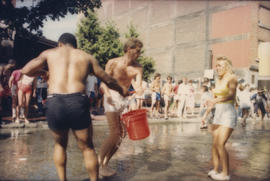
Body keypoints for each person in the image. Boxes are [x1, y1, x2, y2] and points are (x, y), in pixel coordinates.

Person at [21, 33, 125, 181]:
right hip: (77, 100)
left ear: (60, 44)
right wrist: (122, 90)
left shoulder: (49, 53)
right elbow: (107, 79)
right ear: (75, 45)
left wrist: (44, 72)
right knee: (87, 147)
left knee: (60, 145)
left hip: (55, 101)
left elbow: (26, 70)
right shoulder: (86, 56)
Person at [99, 38, 143, 177]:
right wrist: (107, 95)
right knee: (114, 132)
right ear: (128, 49)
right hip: (111, 95)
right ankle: (98, 164)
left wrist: (140, 89)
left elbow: (138, 85)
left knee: (122, 134)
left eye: (140, 51)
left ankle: (105, 163)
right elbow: (103, 83)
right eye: (137, 51)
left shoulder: (138, 67)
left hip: (124, 99)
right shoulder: (112, 62)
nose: (139, 54)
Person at [206, 56, 238, 181]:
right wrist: (206, 114)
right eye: (217, 65)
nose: (217, 68)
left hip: (228, 114)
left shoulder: (232, 78)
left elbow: (231, 95)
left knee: (220, 144)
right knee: (214, 144)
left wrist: (215, 100)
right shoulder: (219, 79)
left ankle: (225, 174)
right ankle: (215, 169)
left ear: (227, 66)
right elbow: (214, 99)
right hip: (218, 113)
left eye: (220, 65)